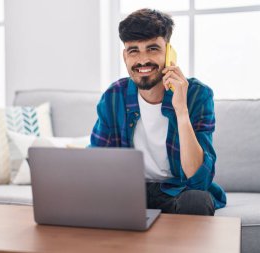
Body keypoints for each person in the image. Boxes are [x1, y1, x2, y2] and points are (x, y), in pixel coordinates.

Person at [90, 8, 226, 215]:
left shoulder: (197, 95)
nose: (142, 60)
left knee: (197, 200)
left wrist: (181, 110)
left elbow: (199, 179)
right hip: (129, 192)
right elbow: (96, 162)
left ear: (170, 53)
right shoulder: (113, 95)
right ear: (125, 56)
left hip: (177, 191)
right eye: (133, 50)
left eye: (152, 48)